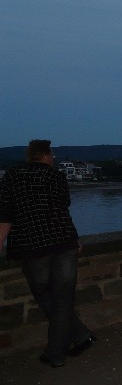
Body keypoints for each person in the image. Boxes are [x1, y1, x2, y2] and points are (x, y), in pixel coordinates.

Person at [0, 140, 95, 368]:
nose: (53, 158)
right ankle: (78, 339)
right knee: (62, 300)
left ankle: (59, 352)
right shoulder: (57, 177)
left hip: (32, 246)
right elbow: (61, 210)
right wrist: (75, 239)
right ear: (44, 155)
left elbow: (5, 214)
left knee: (44, 295)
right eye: (51, 155)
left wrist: (1, 241)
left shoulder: (12, 176)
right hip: (64, 243)